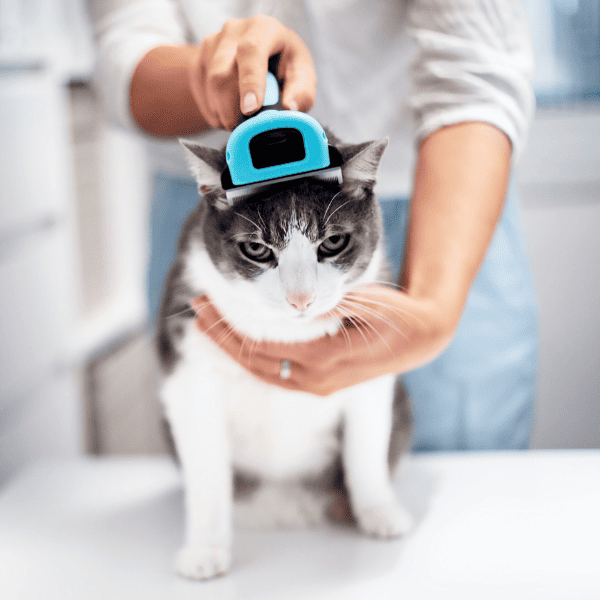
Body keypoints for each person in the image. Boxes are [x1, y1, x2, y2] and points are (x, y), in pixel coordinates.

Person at [89, 1, 538, 451]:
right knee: (233, 466)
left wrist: (434, 313)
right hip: (222, 217)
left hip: (438, 200)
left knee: (462, 476)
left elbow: (477, 70)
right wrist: (208, 75)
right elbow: (122, 52)